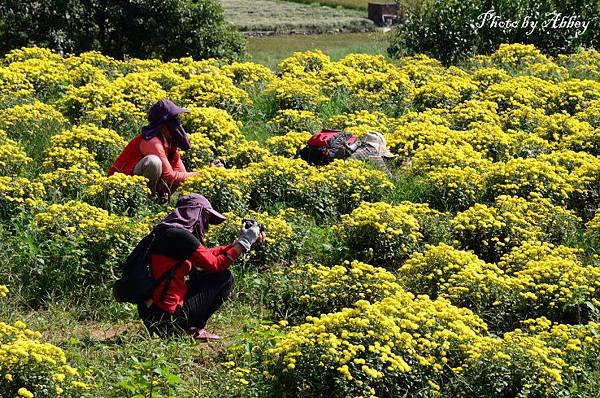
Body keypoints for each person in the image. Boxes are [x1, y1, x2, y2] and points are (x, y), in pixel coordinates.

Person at [138, 193, 265, 340]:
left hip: (153, 314)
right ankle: (194, 328)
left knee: (201, 273)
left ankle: (184, 327)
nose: (207, 226)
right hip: (167, 319)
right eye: (206, 218)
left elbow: (206, 255)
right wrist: (244, 244)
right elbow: (215, 264)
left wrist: (238, 243)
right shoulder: (181, 236)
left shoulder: (165, 232)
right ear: (196, 213)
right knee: (223, 277)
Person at [108, 99, 199, 198]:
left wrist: (210, 172)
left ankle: (161, 200)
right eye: (173, 119)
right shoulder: (152, 141)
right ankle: (147, 199)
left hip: (140, 182)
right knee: (153, 162)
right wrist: (201, 174)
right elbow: (169, 176)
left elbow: (182, 174)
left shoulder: (170, 142)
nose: (177, 123)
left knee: (179, 177)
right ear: (163, 124)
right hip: (120, 185)